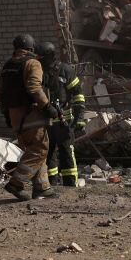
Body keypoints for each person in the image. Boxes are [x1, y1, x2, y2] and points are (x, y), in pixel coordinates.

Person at [0, 33, 58, 201]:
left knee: (35, 150)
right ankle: (16, 183)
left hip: (15, 116)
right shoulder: (32, 63)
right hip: (31, 115)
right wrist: (47, 106)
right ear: (31, 48)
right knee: (39, 149)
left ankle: (42, 187)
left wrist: (6, 114)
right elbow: (34, 87)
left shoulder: (7, 66)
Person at [36, 41, 87, 187]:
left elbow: (78, 95)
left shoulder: (66, 70)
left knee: (66, 153)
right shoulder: (38, 72)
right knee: (48, 154)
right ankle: (51, 184)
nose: (38, 60)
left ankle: (70, 185)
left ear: (49, 56)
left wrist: (79, 119)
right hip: (44, 122)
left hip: (63, 122)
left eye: (40, 58)